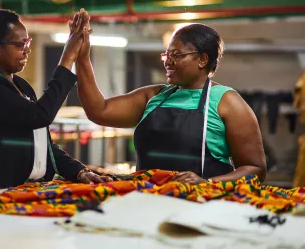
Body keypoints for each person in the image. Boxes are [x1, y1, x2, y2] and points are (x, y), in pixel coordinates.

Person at [76, 22, 267, 184]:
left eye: (176, 55)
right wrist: (82, 57)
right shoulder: (154, 96)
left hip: (200, 205)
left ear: (202, 59)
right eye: (167, 55)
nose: (168, 62)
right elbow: (98, 110)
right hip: (146, 200)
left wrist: (208, 183)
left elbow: (255, 169)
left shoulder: (227, 102)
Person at [0, 8, 111, 192]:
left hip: (26, 190)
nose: (27, 50)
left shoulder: (22, 86)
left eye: (28, 42)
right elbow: (40, 116)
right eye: (20, 45)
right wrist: (68, 57)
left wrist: (79, 172)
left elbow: (44, 144)